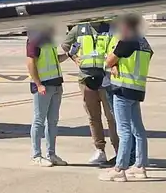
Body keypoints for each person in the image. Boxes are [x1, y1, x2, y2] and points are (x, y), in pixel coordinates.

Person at [100, 14, 152, 181]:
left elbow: (109, 61)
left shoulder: (126, 40)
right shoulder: (144, 42)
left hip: (122, 88)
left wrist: (113, 64)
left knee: (124, 130)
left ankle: (120, 168)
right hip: (137, 88)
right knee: (138, 129)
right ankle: (140, 166)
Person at [63, 19, 117, 164]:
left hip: (106, 78)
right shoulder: (79, 29)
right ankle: (100, 150)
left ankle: (119, 150)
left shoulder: (110, 28)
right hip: (86, 78)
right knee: (93, 117)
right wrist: (74, 57)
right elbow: (65, 46)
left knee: (112, 117)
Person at [26, 23, 66, 164]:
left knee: (53, 121)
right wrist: (38, 84)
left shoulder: (50, 41)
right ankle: (36, 155)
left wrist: (68, 54)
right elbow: (31, 62)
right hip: (43, 86)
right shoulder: (35, 39)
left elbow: (55, 60)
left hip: (56, 84)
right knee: (39, 120)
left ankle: (51, 154)